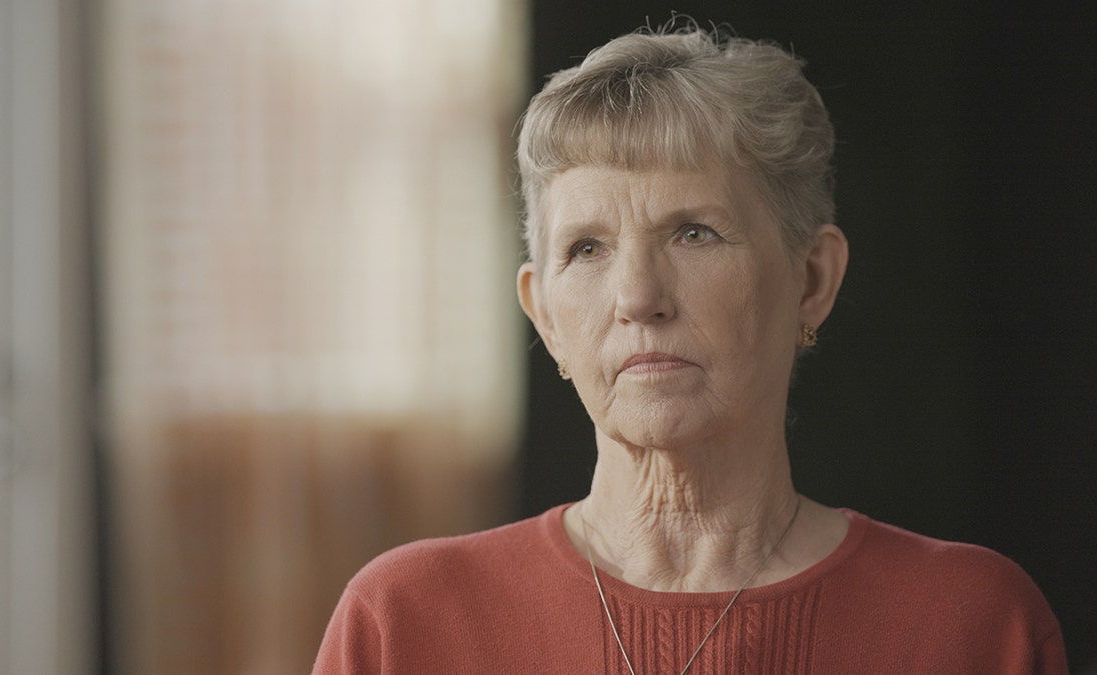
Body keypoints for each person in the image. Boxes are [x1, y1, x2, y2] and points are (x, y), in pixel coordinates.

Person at [313, 24, 1067, 674]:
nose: (638, 296)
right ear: (545, 316)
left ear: (813, 279)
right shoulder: (404, 621)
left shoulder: (972, 622)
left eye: (693, 233)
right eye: (586, 248)